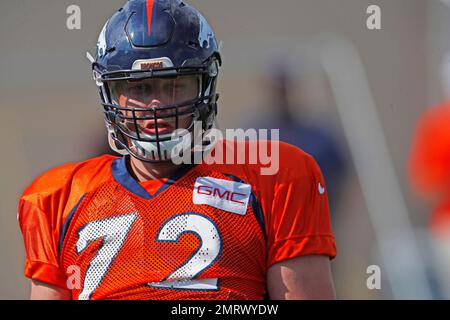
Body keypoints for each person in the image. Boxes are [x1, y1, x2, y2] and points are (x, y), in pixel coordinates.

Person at [18, 0, 336, 300]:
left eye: (174, 85)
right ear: (111, 95)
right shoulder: (56, 198)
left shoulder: (276, 175)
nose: (156, 104)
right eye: (139, 87)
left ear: (204, 86)